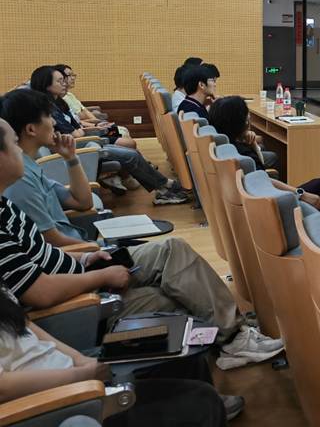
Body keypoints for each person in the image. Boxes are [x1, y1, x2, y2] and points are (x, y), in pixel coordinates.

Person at [0, 115, 283, 371]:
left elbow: (46, 249)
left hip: (81, 272)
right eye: (13, 145)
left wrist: (85, 259)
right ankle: (232, 338)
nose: (19, 151)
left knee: (173, 251)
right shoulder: (12, 201)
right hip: (73, 302)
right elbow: (39, 293)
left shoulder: (5, 205)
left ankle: (233, 334)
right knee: (174, 295)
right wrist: (101, 275)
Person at [0, 286, 240, 424]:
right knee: (203, 401)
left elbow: (24, 324)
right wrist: (81, 376)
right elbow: (3, 387)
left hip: (72, 371)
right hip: (55, 400)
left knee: (182, 357)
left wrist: (82, 362)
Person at [24, 74, 188, 205]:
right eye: (60, 80)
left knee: (124, 137)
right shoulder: (49, 108)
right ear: (46, 85)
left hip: (91, 137)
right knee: (129, 149)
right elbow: (76, 133)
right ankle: (159, 185)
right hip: (87, 143)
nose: (66, 82)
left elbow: (77, 125)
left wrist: (94, 126)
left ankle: (149, 181)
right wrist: (92, 129)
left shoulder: (61, 102)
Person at [208, 96, 320, 216]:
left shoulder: (226, 148)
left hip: (256, 203)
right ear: (240, 122)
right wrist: (301, 194)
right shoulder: (245, 156)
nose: (248, 117)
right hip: (273, 205)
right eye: (246, 114)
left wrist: (253, 145)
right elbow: (265, 181)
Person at [53, 65, 136, 149]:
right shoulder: (56, 107)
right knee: (125, 137)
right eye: (69, 76)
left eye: (73, 75)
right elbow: (78, 124)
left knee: (121, 132)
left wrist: (96, 124)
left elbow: (83, 113)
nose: (73, 78)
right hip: (85, 136)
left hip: (87, 130)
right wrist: (95, 125)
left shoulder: (68, 97)